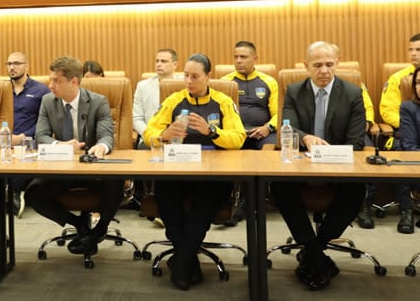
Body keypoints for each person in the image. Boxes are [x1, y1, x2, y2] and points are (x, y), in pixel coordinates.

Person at [143, 53, 245, 290]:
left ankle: (180, 262)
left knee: (205, 204)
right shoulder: (173, 100)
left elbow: (239, 138)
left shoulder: (223, 101)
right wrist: (163, 135)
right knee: (166, 195)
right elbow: (149, 133)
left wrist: (212, 132)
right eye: (186, 75)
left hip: (212, 172)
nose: (189, 81)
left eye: (195, 76)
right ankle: (188, 262)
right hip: (177, 167)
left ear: (208, 76)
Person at [271, 41, 365, 291]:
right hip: (303, 163)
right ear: (306, 66)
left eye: (329, 64)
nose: (324, 70)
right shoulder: (294, 91)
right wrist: (306, 138)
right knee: (279, 186)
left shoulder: (353, 94)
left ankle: (312, 251)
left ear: (338, 63)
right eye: (317, 65)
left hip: (338, 164)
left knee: (356, 189)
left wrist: (328, 153)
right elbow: (288, 127)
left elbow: (356, 142)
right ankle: (318, 257)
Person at [24, 56, 123, 257]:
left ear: (74, 82)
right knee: (33, 192)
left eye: (56, 81)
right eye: (50, 80)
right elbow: (41, 135)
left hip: (93, 169)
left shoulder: (98, 102)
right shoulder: (48, 101)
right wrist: (59, 145)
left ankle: (100, 229)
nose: (50, 86)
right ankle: (79, 224)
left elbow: (106, 135)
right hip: (63, 169)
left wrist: (101, 147)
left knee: (116, 181)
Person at [361, 33, 420, 232]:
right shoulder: (398, 78)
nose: (413, 54)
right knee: (400, 155)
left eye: (418, 50)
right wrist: (409, 125)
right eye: (410, 50)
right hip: (402, 133)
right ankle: (406, 210)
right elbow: (387, 110)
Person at [220, 41, 278, 224]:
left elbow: (278, 114)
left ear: (255, 58)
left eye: (243, 57)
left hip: (263, 133)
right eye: (236, 57)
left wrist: (267, 128)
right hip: (235, 133)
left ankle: (252, 202)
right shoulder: (225, 82)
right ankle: (226, 203)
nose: (238, 61)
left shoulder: (269, 81)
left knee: (269, 151)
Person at [5, 51, 49, 216]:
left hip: (30, 138)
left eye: (17, 63)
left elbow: (45, 121)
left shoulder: (41, 90)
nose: (12, 67)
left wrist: (22, 137)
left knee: (29, 150)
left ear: (27, 66)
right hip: (4, 138)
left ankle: (14, 190)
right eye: (9, 64)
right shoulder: (2, 89)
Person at [133, 48, 179, 145]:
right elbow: (137, 119)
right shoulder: (142, 86)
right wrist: (153, 135)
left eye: (163, 61)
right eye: (157, 61)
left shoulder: (183, 85)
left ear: (175, 65)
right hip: (150, 139)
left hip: (178, 140)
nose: (159, 64)